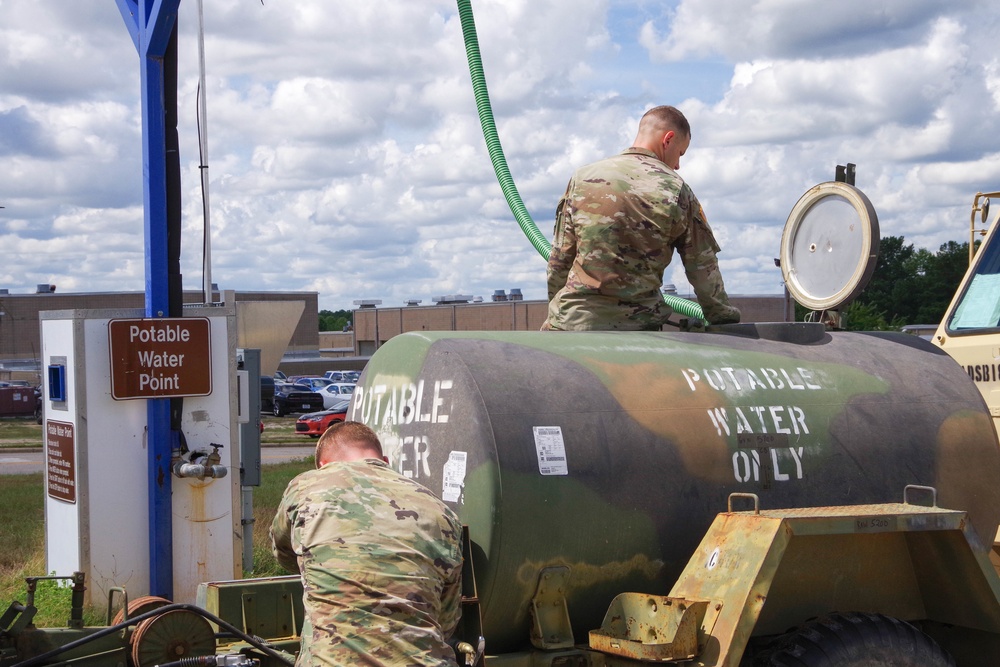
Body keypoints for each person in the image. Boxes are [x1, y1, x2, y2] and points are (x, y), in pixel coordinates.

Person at [270, 421, 464, 666]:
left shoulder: (306, 486)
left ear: (323, 466)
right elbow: (446, 621)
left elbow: (283, 553)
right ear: (384, 460)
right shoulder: (441, 511)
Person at [542, 105, 741, 331]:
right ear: (668, 139)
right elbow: (702, 266)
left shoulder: (583, 177)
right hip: (639, 328)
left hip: (575, 323)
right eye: (680, 153)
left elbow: (559, 260)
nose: (677, 165)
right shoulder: (676, 189)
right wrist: (723, 317)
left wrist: (559, 310)